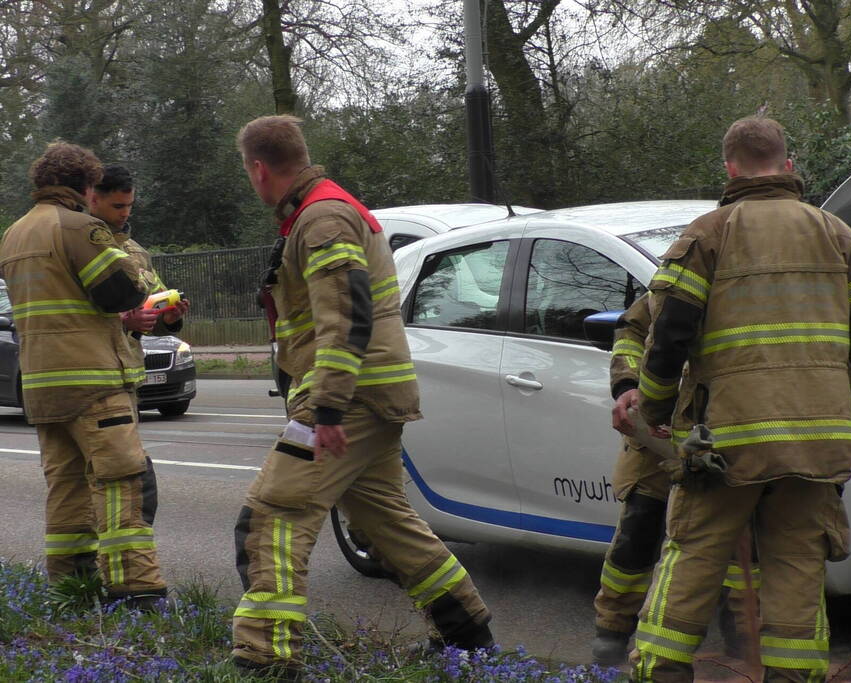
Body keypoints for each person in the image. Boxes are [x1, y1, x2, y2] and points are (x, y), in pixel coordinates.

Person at [630, 116, 851, 682]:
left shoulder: (707, 236)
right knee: (798, 563)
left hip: (726, 442)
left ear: (729, 169)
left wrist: (653, 410)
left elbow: (669, 334)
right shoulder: (837, 235)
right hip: (818, 440)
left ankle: (662, 671)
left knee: (696, 552)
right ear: (789, 165)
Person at [231, 115, 494, 678]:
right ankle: (469, 636)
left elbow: (344, 316)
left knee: (271, 518)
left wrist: (324, 407)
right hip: (370, 395)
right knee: (385, 523)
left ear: (258, 169)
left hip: (349, 401)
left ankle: (265, 659)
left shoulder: (322, 220)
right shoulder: (323, 211)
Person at [0, 141, 167, 608]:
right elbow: (121, 293)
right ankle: (137, 588)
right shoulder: (80, 228)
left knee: (67, 488)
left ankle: (69, 587)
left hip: (40, 385)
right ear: (86, 185)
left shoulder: (13, 234)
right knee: (121, 483)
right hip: (92, 381)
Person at [592, 292, 760, 666]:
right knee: (640, 527)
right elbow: (631, 330)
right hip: (661, 429)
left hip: (729, 427)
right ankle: (612, 631)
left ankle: (743, 637)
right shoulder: (684, 266)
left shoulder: (758, 278)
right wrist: (628, 386)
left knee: (744, 536)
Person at [90, 165, 190, 370]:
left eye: (130, 205)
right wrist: (124, 323)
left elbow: (151, 305)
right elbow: (71, 315)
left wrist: (168, 319)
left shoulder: (137, 253)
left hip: (129, 371)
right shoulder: (80, 245)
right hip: (93, 366)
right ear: (93, 199)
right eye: (118, 206)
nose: (126, 213)